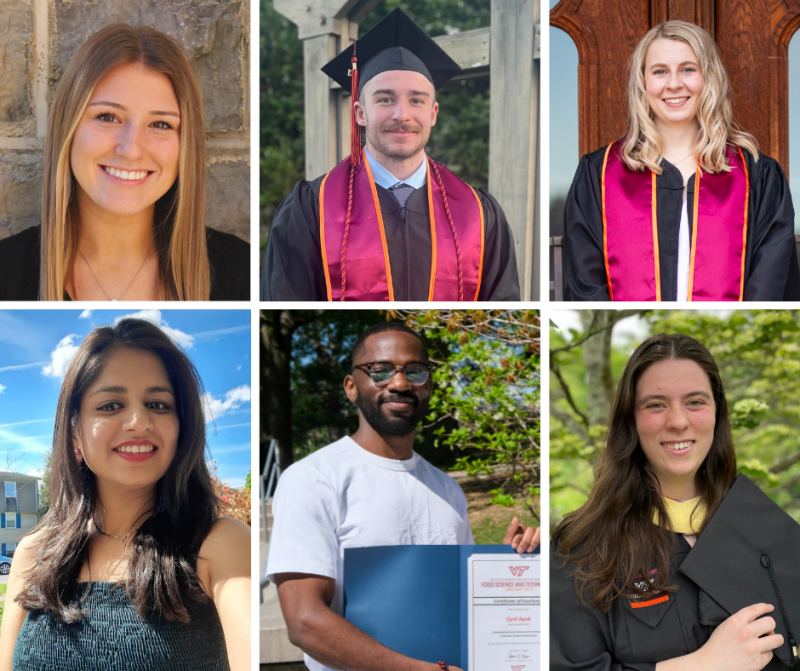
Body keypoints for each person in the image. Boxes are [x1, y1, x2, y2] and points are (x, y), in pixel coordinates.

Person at [266, 322, 540, 671]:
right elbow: (305, 622)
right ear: (352, 387)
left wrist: (503, 567)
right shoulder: (312, 479)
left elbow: (459, 603)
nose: (399, 383)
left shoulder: (447, 489)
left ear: (429, 385)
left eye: (415, 371)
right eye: (379, 371)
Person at [0, 319, 250, 670]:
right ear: (74, 432)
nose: (138, 421)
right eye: (110, 405)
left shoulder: (220, 546)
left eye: (159, 404)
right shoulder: (34, 554)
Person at [551, 333, 788, 670]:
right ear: (630, 419)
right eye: (656, 404)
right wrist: (704, 665)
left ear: (717, 413)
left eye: (695, 401)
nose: (678, 421)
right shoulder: (584, 546)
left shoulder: (763, 530)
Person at [261, 9, 520, 301]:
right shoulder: (311, 208)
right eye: (385, 99)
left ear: (433, 113)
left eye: (416, 100)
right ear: (360, 113)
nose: (402, 114)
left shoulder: (479, 213)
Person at [0, 24, 249, 301]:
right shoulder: (6, 274)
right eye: (108, 117)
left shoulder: (242, 273)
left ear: (186, 144)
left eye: (161, 124)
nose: (131, 150)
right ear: (68, 128)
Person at [562, 21, 800, 301]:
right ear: (643, 81)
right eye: (660, 71)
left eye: (688, 69)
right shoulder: (600, 173)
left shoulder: (757, 174)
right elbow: (585, 285)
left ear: (708, 77)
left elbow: (770, 285)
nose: (674, 84)